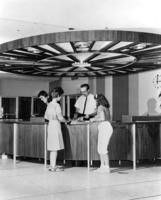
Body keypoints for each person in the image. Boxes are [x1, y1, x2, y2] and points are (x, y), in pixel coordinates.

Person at [44, 87, 67, 172]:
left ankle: (52, 165)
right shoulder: (57, 105)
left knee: (52, 147)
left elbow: (46, 117)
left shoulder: (49, 104)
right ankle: (53, 167)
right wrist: (67, 121)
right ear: (58, 96)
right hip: (56, 125)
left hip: (50, 125)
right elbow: (60, 118)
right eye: (61, 96)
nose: (61, 97)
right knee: (55, 147)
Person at [91, 94, 113, 173]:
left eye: (96, 100)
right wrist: (95, 117)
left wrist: (93, 120)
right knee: (101, 148)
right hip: (107, 126)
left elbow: (102, 118)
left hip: (104, 127)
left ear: (99, 100)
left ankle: (106, 168)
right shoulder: (106, 107)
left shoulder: (100, 107)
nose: (95, 102)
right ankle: (102, 166)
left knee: (102, 148)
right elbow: (105, 118)